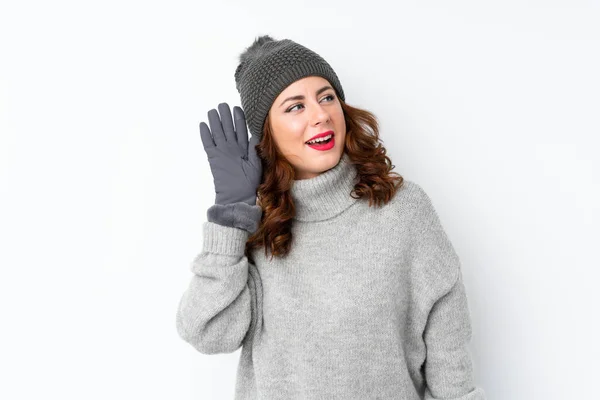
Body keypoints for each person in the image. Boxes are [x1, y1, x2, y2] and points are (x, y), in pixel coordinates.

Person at [176, 35, 486, 400]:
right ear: (267, 135)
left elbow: (450, 363)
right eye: (295, 107)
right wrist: (230, 217)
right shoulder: (257, 227)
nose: (320, 115)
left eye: (326, 97)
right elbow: (207, 332)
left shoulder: (405, 211)